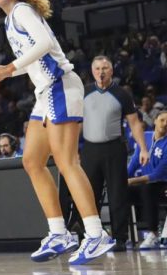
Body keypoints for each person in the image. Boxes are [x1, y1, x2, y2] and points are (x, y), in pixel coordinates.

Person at [0, 0, 116, 264]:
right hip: (44, 93)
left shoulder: (22, 11)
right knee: (32, 161)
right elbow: (33, 57)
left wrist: (8, 67)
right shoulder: (10, 20)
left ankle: (96, 234)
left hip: (60, 85)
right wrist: (8, 72)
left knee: (66, 162)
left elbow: (44, 44)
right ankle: (59, 233)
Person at [64, 55, 149, 252]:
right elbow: (76, 125)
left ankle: (120, 239)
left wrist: (143, 148)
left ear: (111, 70)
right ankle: (91, 236)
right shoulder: (84, 92)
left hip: (114, 148)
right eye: (97, 69)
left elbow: (135, 123)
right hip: (90, 150)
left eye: (105, 68)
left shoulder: (121, 94)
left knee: (118, 194)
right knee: (88, 193)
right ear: (92, 71)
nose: (101, 72)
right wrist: (73, 151)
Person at [129, 112, 167, 247]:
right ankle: (121, 235)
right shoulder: (145, 137)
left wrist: (132, 181)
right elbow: (134, 163)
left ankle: (153, 234)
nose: (165, 123)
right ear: (155, 121)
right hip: (146, 183)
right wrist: (121, 179)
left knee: (148, 190)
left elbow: (158, 174)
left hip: (163, 184)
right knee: (119, 190)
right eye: (162, 120)